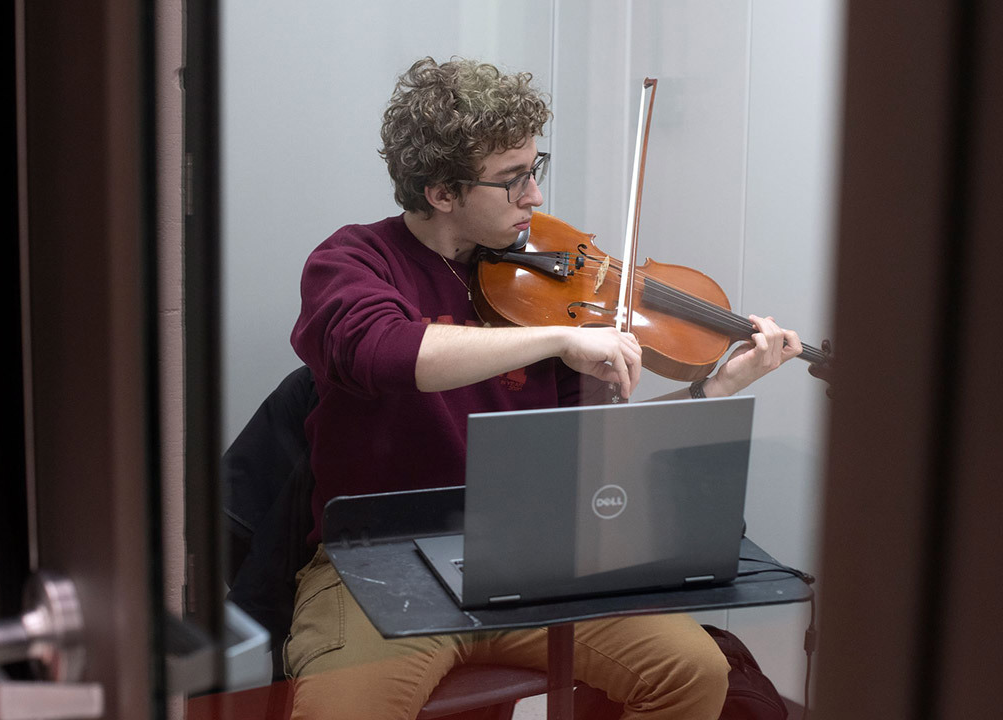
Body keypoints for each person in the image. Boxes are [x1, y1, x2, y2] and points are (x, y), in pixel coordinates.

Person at [286, 56, 803, 720]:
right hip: (378, 565)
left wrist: (717, 388)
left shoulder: (546, 294)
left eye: (536, 168)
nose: (534, 196)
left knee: (693, 669)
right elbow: (385, 351)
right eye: (511, 180)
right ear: (442, 192)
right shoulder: (353, 261)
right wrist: (558, 339)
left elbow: (589, 450)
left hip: (525, 559)